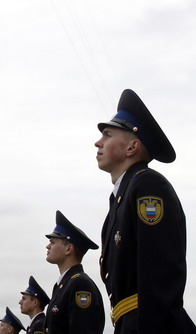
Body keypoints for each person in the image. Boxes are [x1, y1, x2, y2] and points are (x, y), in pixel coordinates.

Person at [95, 88, 196, 333]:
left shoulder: (147, 185)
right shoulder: (122, 195)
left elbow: (160, 276)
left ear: (132, 147)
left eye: (107, 135)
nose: (97, 142)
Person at [44, 210, 105, 334]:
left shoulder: (80, 285)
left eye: (52, 242)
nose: (48, 246)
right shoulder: (63, 285)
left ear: (68, 248)